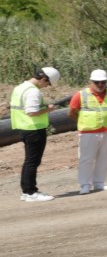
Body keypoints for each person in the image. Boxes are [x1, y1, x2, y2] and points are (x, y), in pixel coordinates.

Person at [71, 69, 107, 193]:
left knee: (104, 158)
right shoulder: (81, 95)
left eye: (103, 82)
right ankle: (85, 185)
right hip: (88, 132)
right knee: (86, 159)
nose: (100, 85)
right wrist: (83, 122)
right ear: (91, 82)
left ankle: (99, 183)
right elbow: (72, 112)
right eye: (97, 82)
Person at [11, 67, 58, 202]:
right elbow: (31, 112)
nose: (46, 86)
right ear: (43, 79)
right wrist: (48, 109)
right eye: (48, 83)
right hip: (34, 129)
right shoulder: (33, 92)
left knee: (29, 161)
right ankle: (30, 192)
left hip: (24, 128)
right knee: (32, 162)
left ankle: (27, 191)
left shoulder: (20, 88)